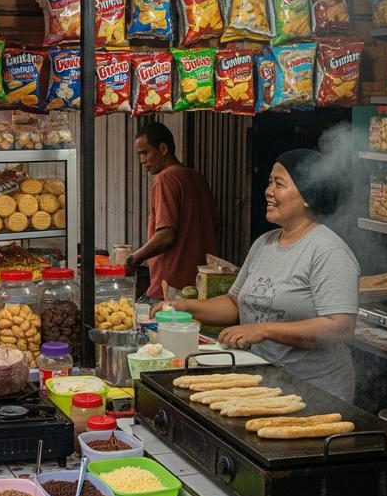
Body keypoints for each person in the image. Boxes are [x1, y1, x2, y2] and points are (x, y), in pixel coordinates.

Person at [152, 148, 359, 401]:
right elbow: (234, 303)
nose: (268, 191)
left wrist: (264, 330)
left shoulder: (328, 251)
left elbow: (340, 328)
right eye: (270, 182)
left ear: (308, 196)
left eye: (279, 184)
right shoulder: (265, 243)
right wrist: (183, 306)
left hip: (314, 393)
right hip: (264, 382)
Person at [127, 121, 217, 299]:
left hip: (171, 287)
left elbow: (166, 235)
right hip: (202, 285)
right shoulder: (197, 178)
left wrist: (133, 259)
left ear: (162, 149)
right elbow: (215, 224)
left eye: (145, 153)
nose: (142, 160)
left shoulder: (165, 179)